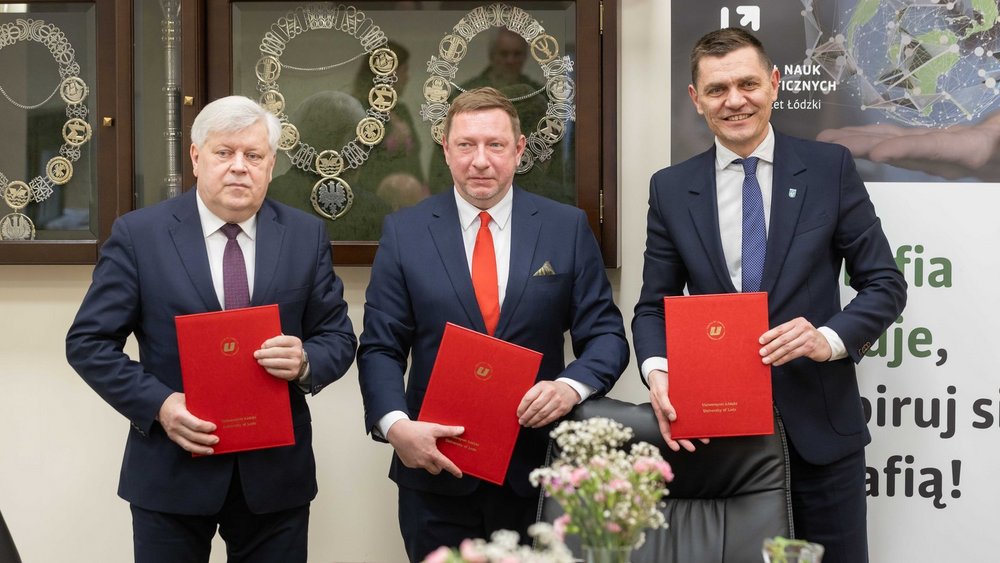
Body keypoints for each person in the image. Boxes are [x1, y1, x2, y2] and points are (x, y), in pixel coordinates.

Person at [631, 29, 907, 563]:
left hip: (821, 434)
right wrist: (657, 370)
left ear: (774, 84)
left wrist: (827, 338)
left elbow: (884, 283)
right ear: (695, 98)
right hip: (717, 435)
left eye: (748, 84)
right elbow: (652, 306)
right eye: (717, 90)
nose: (734, 100)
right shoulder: (670, 188)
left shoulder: (829, 168)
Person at [65, 95, 357, 562]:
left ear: (271, 165)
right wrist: (160, 405)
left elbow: (338, 337)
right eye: (224, 152)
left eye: (253, 155)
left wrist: (305, 361)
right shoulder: (139, 236)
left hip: (274, 476)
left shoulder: (305, 235)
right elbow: (88, 342)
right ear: (196, 157)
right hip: (171, 468)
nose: (239, 167)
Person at [358, 87, 628, 563]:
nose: (480, 161)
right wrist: (395, 426)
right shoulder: (405, 232)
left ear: (519, 150)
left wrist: (570, 387)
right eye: (466, 145)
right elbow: (381, 347)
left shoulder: (565, 228)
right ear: (446, 149)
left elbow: (606, 335)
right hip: (435, 471)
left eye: (495, 145)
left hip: (537, 473)